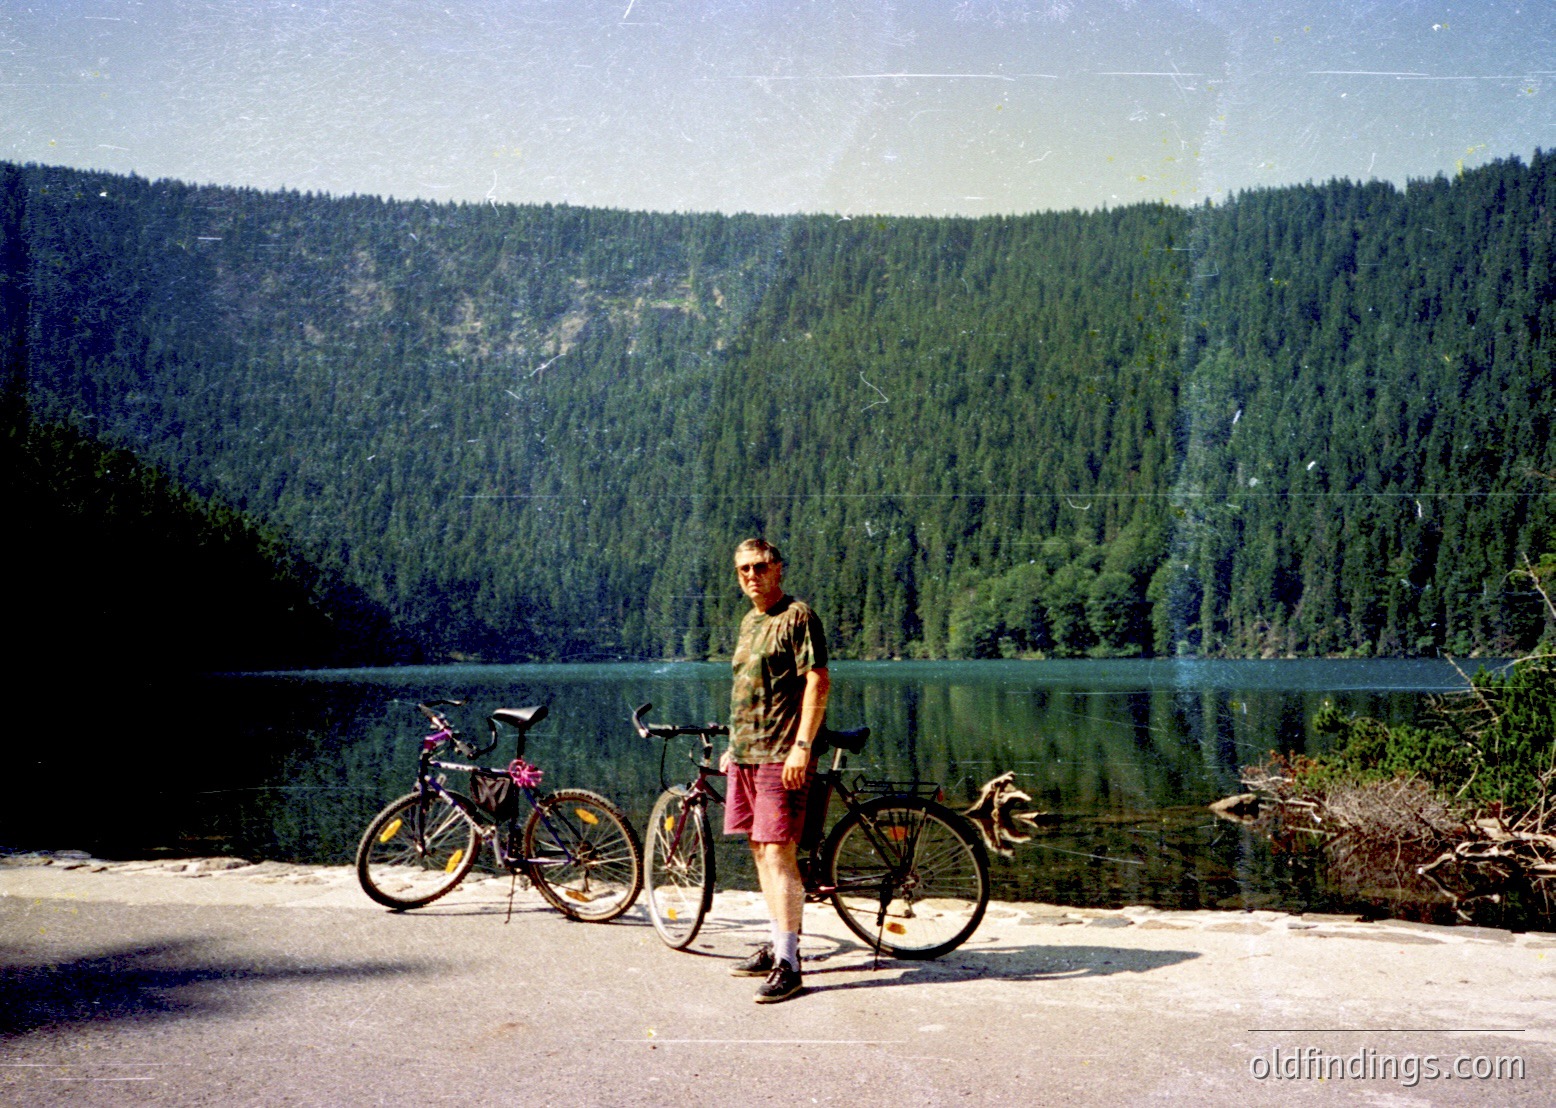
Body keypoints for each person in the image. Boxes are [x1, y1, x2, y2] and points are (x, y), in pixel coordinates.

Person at [722, 538, 830, 1003]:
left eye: (760, 566)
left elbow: (818, 680)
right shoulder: (750, 621)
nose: (752, 575)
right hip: (747, 753)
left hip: (781, 753)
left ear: (778, 569)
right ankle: (778, 943)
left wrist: (802, 747)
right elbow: (747, 688)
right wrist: (733, 746)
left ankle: (790, 964)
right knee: (759, 850)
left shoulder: (797, 616)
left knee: (778, 852)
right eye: (743, 569)